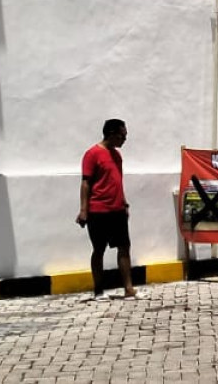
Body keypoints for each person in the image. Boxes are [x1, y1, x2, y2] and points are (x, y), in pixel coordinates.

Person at [76, 118, 138, 300]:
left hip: (117, 209)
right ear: (111, 134)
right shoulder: (92, 154)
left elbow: (117, 181)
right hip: (98, 210)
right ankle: (98, 290)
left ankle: (128, 289)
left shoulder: (117, 155)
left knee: (124, 247)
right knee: (99, 249)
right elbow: (86, 183)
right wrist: (83, 210)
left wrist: (124, 203)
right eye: (122, 136)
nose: (124, 139)